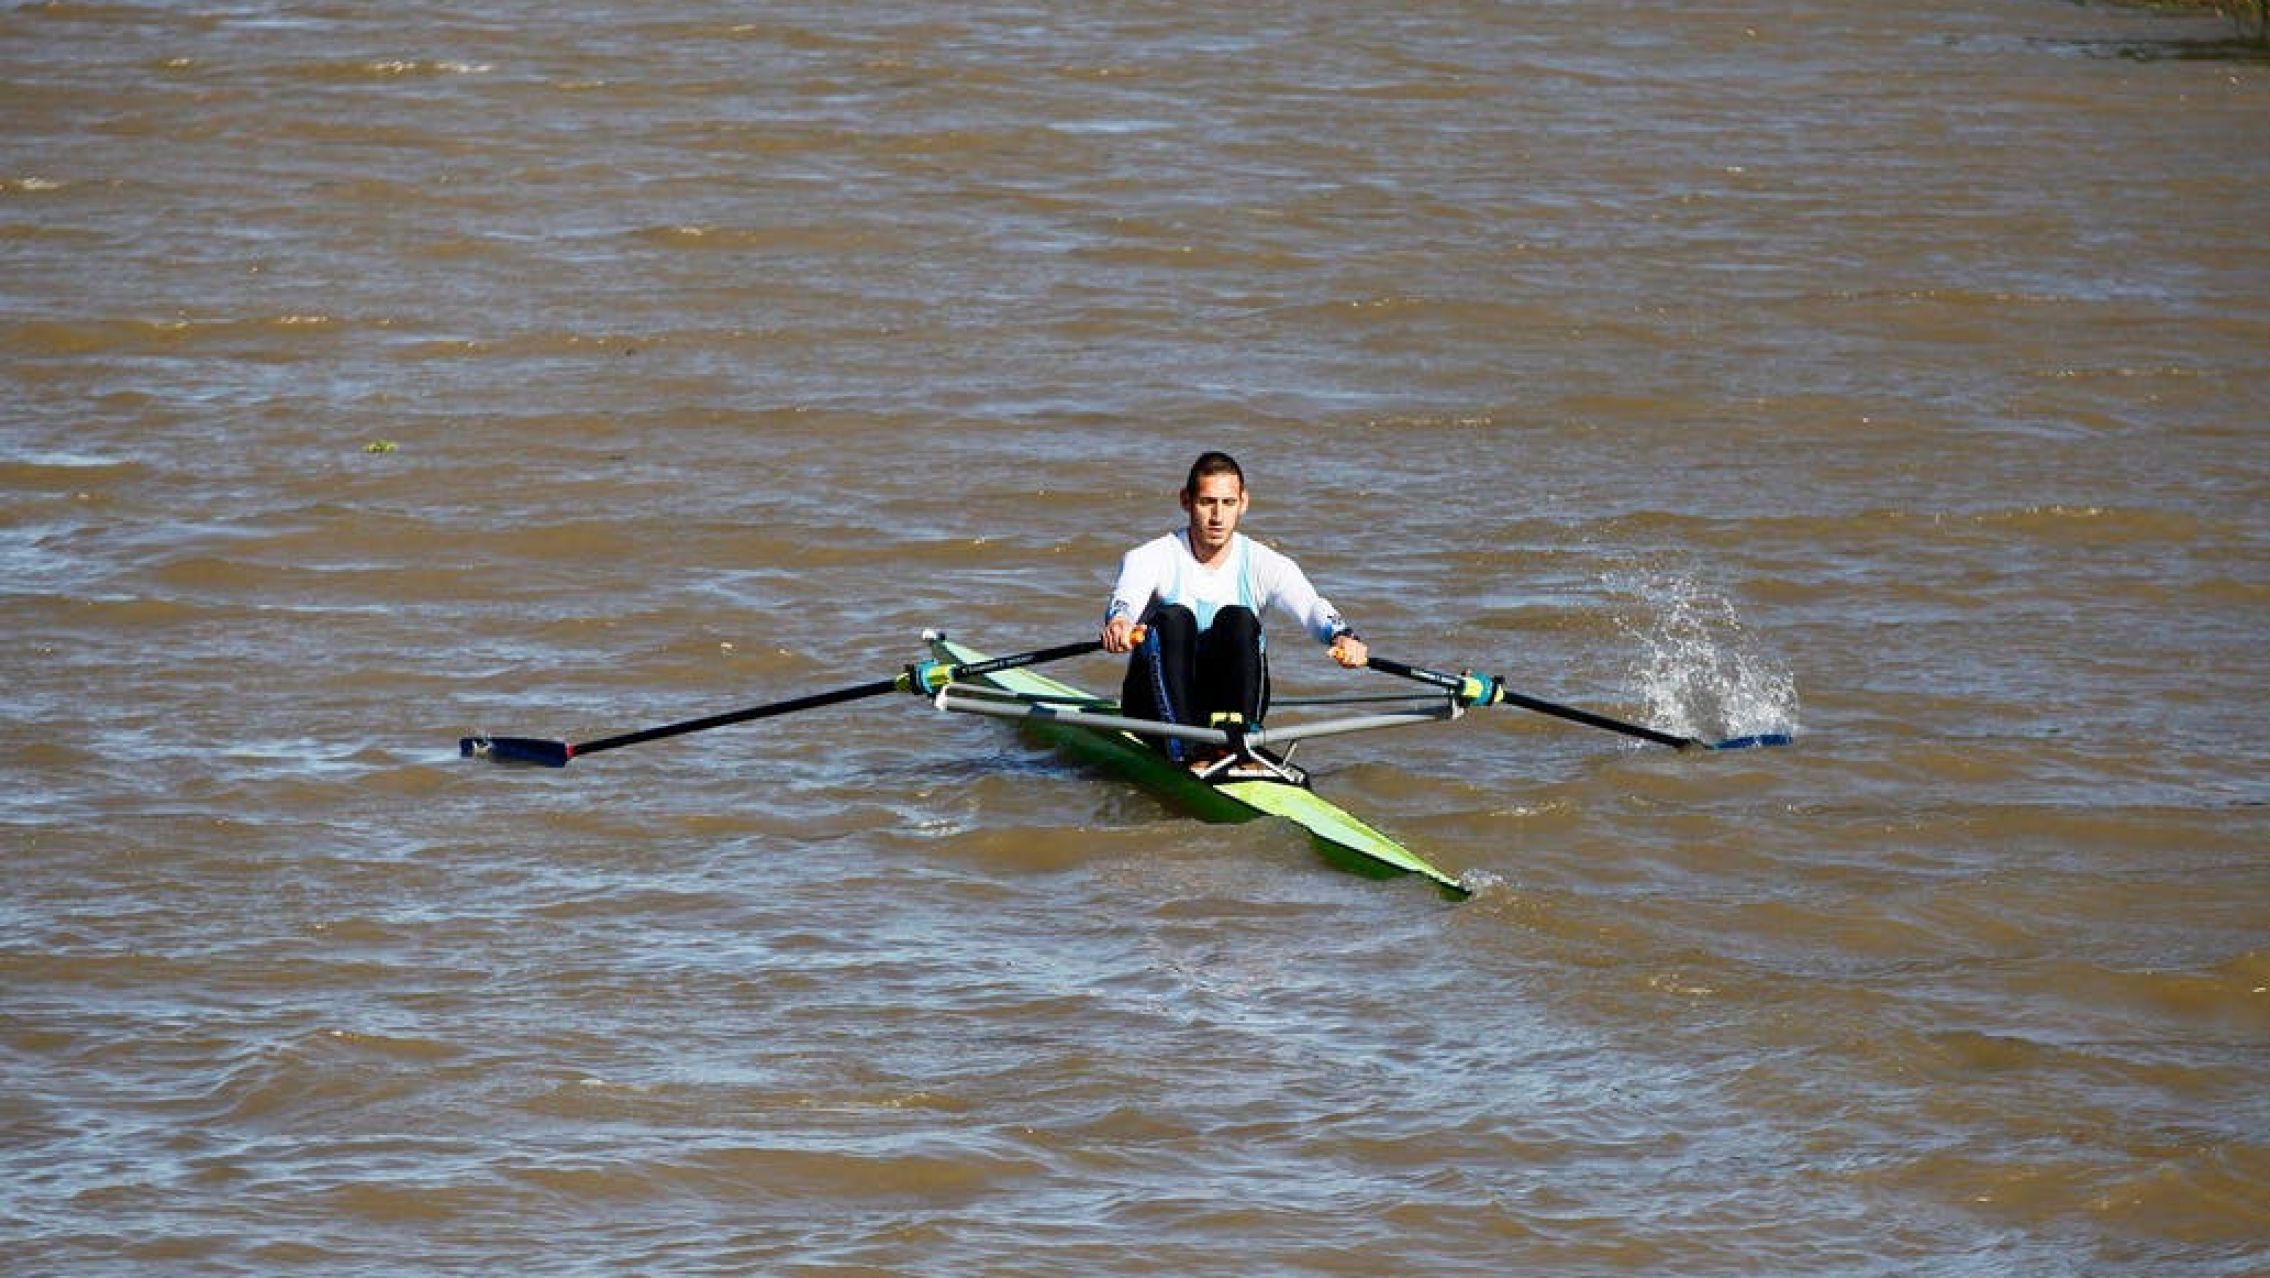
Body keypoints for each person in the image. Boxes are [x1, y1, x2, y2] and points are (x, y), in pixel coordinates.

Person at [1100, 451, 1369, 772]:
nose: (1217, 516)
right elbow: (1126, 599)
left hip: (1223, 705)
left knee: (1238, 619)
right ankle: (1187, 751)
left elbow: (1310, 606)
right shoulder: (1149, 557)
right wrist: (1120, 623)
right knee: (1175, 618)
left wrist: (1343, 636)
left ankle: (1241, 746)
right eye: (1207, 502)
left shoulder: (1265, 563)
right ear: (1186, 500)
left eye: (1228, 503)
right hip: (1153, 707)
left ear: (1243, 503)